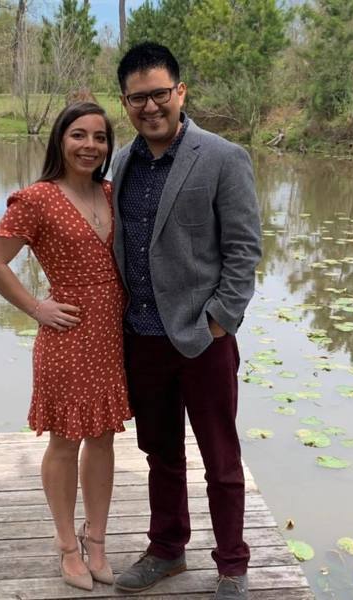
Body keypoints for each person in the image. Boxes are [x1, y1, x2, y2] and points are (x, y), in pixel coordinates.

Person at [111, 43, 262, 600]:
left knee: (221, 459)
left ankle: (232, 565)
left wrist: (220, 321)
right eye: (137, 98)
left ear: (180, 92)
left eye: (159, 94)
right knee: (161, 455)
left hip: (204, 339)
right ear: (124, 102)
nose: (149, 107)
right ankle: (167, 549)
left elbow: (244, 250)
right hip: (143, 337)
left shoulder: (222, 157)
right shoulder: (120, 163)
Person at [0, 101, 131, 592]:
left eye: (100, 137)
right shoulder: (38, 199)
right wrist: (35, 307)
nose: (90, 145)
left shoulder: (112, 192)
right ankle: (67, 544)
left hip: (112, 336)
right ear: (60, 140)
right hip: (67, 336)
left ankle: (97, 539)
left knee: (103, 437)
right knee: (65, 442)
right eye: (78, 135)